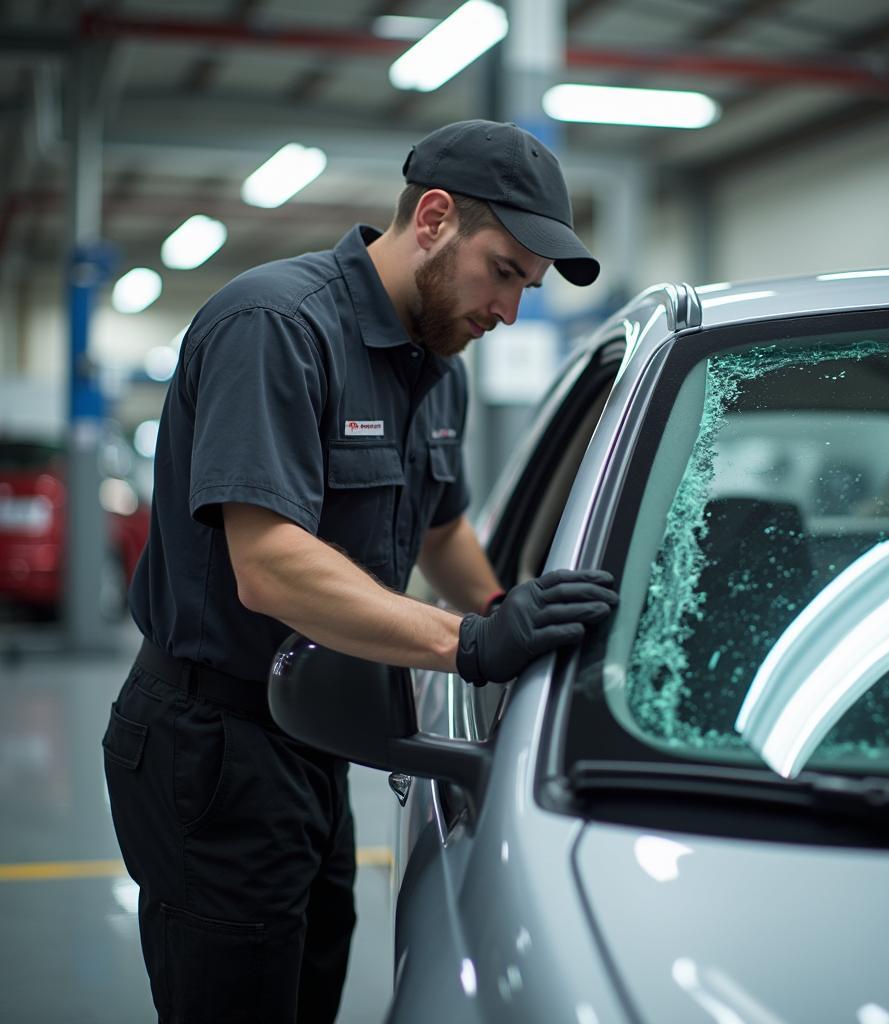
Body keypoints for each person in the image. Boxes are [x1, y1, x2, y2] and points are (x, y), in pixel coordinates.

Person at [101, 119, 618, 1024]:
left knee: (307, 988)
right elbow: (268, 568)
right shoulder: (276, 327)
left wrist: (509, 606)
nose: (509, 312)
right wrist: (471, 640)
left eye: (525, 289)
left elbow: (441, 527)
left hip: (316, 738)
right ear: (432, 218)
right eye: (503, 272)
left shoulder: (437, 367)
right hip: (212, 747)